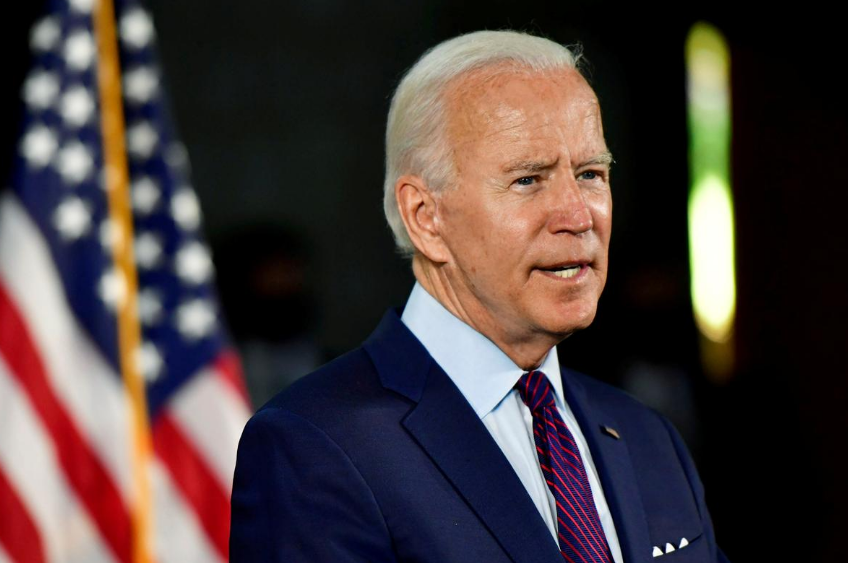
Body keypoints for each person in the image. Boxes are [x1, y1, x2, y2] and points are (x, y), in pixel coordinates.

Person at [230, 30, 730, 563]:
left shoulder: (647, 436)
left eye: (590, 174)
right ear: (426, 218)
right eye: (528, 180)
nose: (578, 216)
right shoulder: (315, 446)